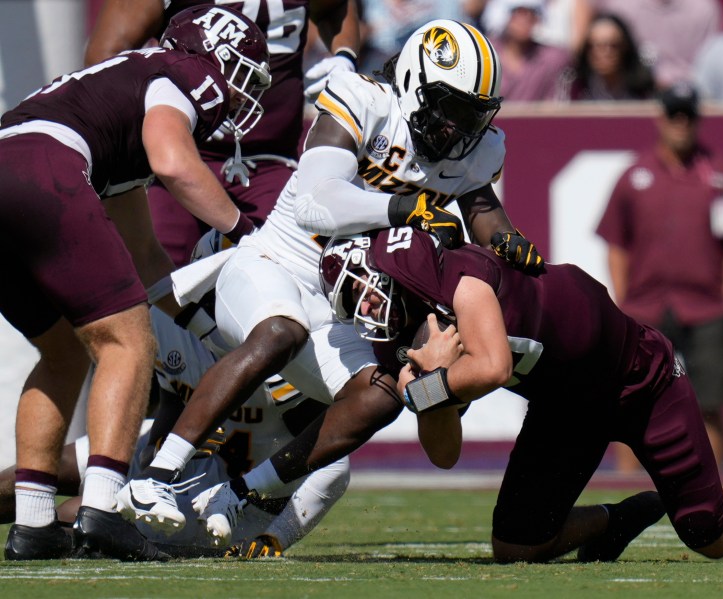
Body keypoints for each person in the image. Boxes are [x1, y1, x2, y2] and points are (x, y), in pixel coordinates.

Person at [113, 18, 545, 544]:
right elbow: (318, 203)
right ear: (412, 81)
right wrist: (405, 206)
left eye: (469, 116)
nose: (455, 129)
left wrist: (508, 240)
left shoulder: (474, 151)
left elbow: (483, 208)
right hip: (273, 266)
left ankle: (244, 493)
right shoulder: (363, 101)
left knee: (386, 393)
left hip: (336, 307)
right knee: (280, 331)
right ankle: (158, 477)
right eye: (447, 109)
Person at [198, 225, 723, 564]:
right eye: (353, 304)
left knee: (707, 535)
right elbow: (445, 452)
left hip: (639, 380)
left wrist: (428, 388)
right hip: (566, 404)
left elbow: (492, 365)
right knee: (516, 547)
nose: (369, 308)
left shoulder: (459, 272)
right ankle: (616, 522)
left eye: (368, 288)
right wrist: (433, 396)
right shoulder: (414, 339)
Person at [0, 4, 272, 561]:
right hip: (46, 165)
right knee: (127, 343)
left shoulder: (123, 96)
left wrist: (206, 334)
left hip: (14, 163)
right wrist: (246, 232)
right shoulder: (182, 72)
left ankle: (32, 524)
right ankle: (101, 511)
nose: (243, 93)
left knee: (64, 353)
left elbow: (147, 262)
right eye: (243, 73)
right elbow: (173, 161)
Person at [0, 293, 350, 558]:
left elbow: (334, 463)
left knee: (78, 515)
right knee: (36, 473)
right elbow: (172, 393)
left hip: (222, 495)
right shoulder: (169, 316)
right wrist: (157, 452)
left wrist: (275, 537)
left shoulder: (282, 342)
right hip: (176, 456)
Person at [85, 0, 362, 268]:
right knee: (157, 272)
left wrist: (344, 56)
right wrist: (160, 116)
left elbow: (334, 6)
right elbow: (105, 57)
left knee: (293, 267)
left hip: (271, 160)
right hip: (177, 161)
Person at [596, 82, 723, 471]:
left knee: (709, 403)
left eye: (688, 115)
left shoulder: (720, 174)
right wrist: (624, 300)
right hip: (646, 304)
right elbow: (616, 241)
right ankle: (628, 492)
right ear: (661, 118)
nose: (681, 123)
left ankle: (715, 495)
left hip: (705, 304)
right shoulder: (634, 175)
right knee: (632, 402)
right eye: (674, 114)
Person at [598, 0, 723, 90]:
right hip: (634, 94)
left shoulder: (704, 7)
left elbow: (710, 64)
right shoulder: (620, 6)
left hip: (689, 96)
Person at [487, 0, 572, 102]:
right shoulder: (486, 54)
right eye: (518, 11)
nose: (526, 18)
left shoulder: (554, 59)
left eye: (532, 12)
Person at [564, 12, 655, 101]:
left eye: (613, 45)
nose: (605, 52)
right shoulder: (575, 88)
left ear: (625, 48)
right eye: (596, 46)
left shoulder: (641, 90)